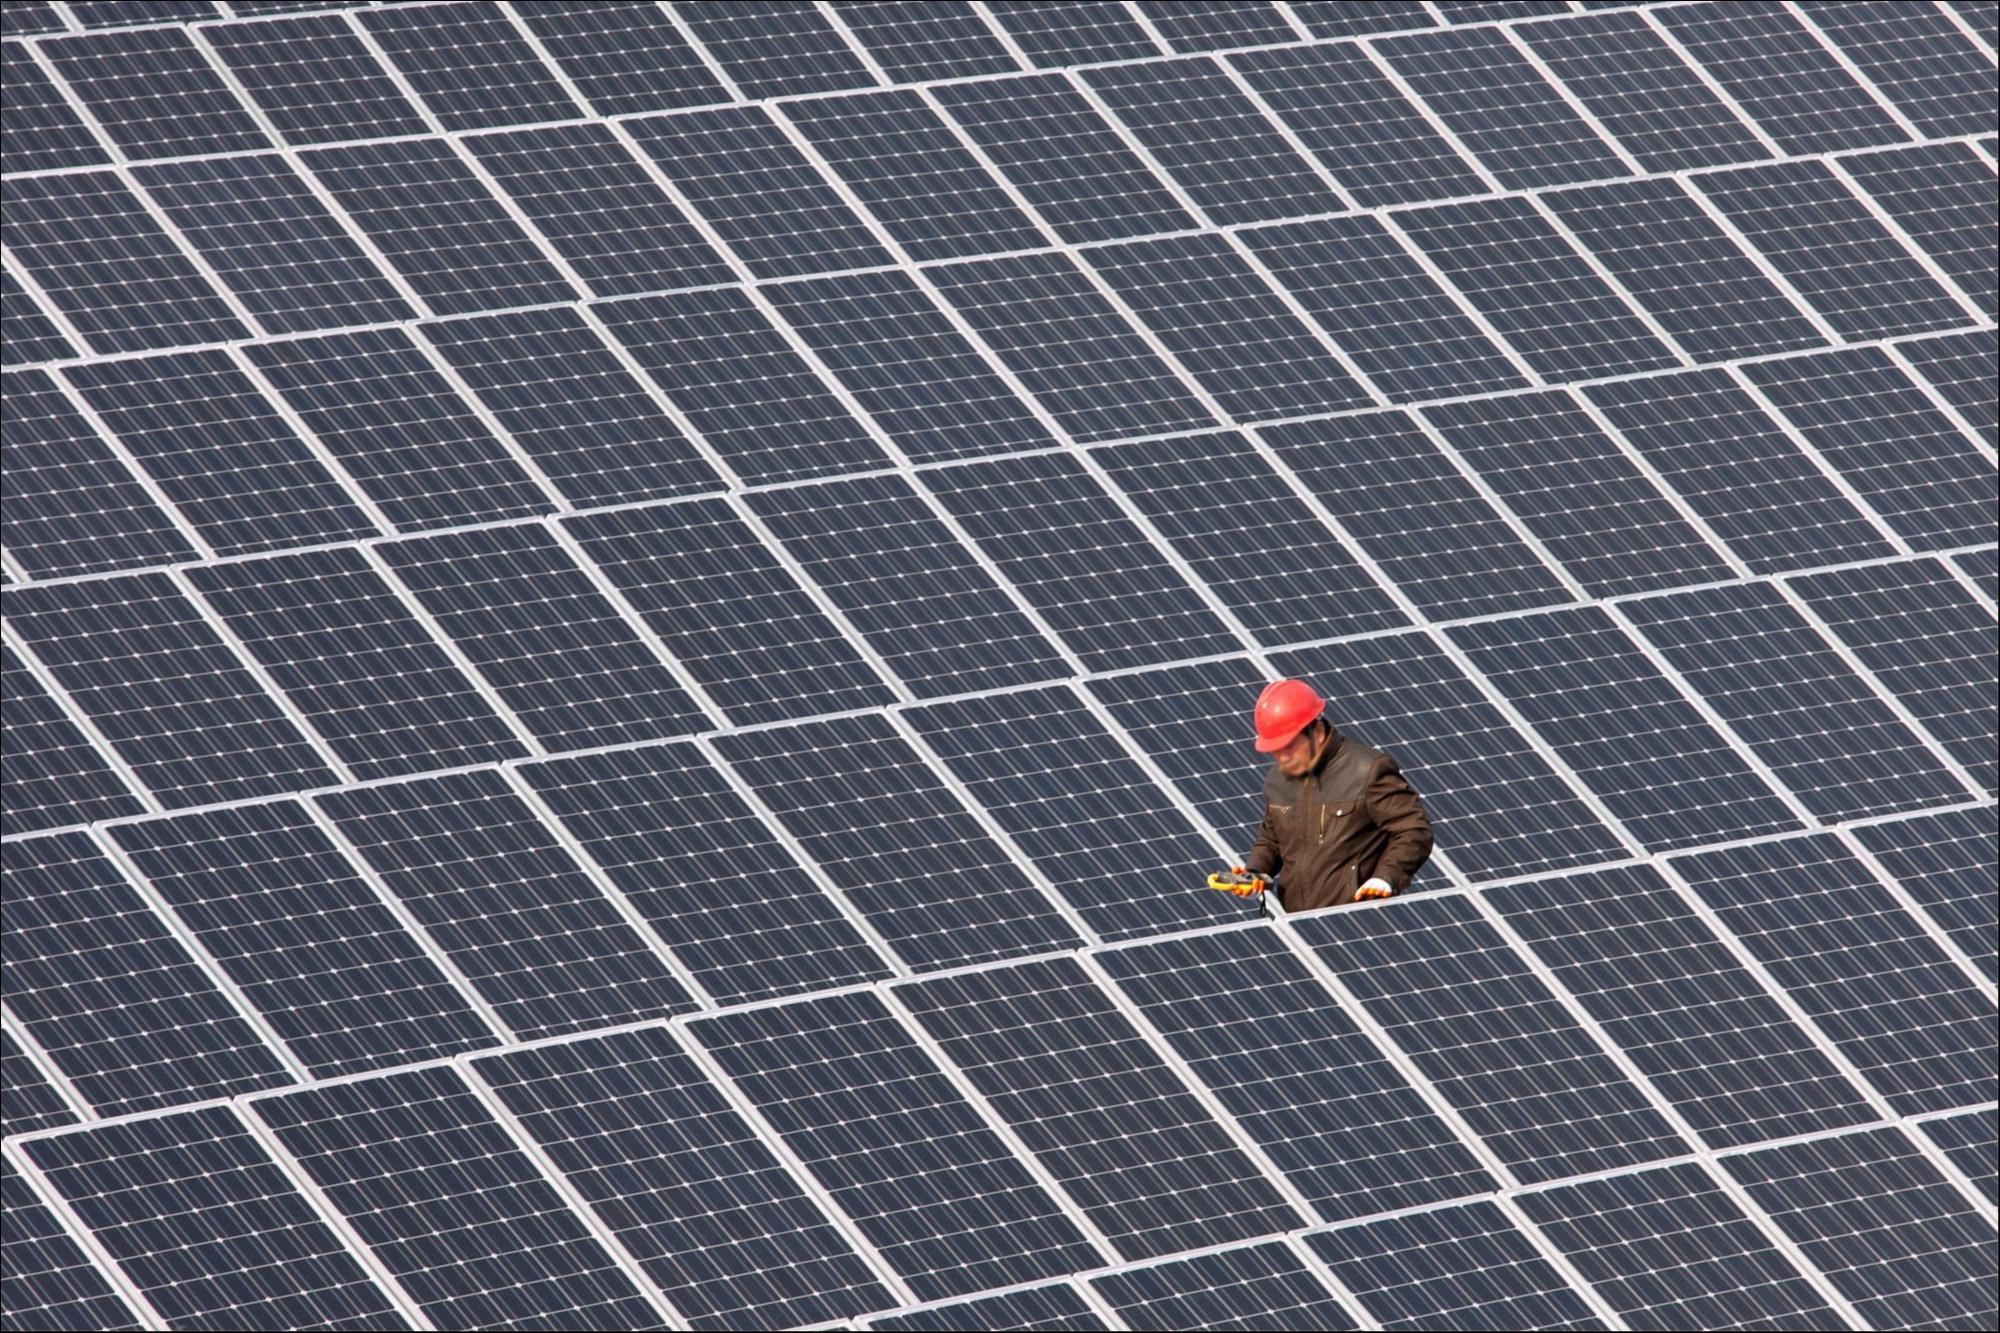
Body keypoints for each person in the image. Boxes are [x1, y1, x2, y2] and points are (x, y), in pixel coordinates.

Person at [1224, 678, 1434, 911]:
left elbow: (1413, 829)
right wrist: (1254, 873)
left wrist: (1385, 878)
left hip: (1358, 917)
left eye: (1289, 747)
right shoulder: (1278, 780)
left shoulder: (1368, 770)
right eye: (1275, 750)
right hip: (1297, 919)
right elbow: (1271, 839)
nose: (1282, 758)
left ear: (1317, 732)